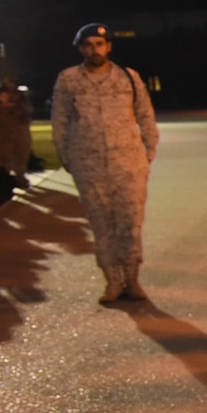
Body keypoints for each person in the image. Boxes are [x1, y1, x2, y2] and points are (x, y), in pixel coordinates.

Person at [51, 23, 160, 305]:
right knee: (101, 224)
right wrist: (66, 156)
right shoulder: (69, 80)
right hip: (89, 165)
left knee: (130, 223)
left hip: (128, 164)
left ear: (109, 46)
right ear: (80, 48)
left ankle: (132, 279)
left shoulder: (128, 78)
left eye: (99, 44)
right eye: (88, 45)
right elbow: (60, 121)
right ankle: (112, 281)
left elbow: (146, 116)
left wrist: (147, 153)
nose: (94, 50)